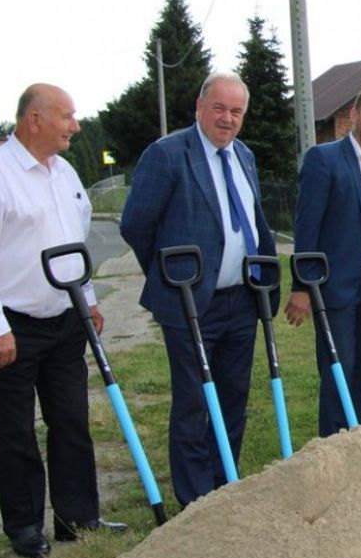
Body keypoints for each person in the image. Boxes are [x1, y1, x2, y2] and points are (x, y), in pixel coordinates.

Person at [0, 83, 125, 558]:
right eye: (67, 116)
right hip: (9, 323)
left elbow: (74, 242)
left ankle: (77, 517)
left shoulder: (64, 173)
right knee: (15, 430)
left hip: (64, 319)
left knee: (71, 420)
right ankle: (24, 526)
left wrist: (87, 298)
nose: (76, 125)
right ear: (34, 120)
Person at [120, 72, 279, 507]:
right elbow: (136, 225)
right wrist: (169, 277)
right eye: (219, 109)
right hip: (191, 301)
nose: (227, 119)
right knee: (193, 402)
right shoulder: (168, 155)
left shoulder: (243, 156)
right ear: (199, 107)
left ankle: (225, 484)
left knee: (233, 397)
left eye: (236, 111)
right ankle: (195, 500)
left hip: (241, 299)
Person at [285, 86, 361, 437]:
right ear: (354, 115)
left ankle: (354, 435)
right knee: (339, 367)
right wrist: (302, 287)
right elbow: (307, 228)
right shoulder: (324, 158)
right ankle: (333, 445)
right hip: (333, 284)